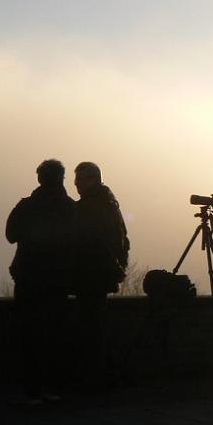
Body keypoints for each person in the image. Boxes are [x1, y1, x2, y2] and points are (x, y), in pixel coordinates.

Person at [6, 159, 76, 404]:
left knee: (29, 334)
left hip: (29, 278)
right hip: (58, 280)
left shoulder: (27, 206)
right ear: (62, 179)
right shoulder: (70, 208)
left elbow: (10, 235)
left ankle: (32, 388)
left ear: (39, 179)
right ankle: (54, 386)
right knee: (56, 334)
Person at [70, 162, 130, 388]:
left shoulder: (90, 207)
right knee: (96, 325)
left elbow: (86, 242)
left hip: (91, 275)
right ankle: (99, 376)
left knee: (90, 328)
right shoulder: (109, 204)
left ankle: (94, 377)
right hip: (101, 275)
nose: (76, 184)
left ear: (93, 179)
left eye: (80, 179)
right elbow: (122, 241)